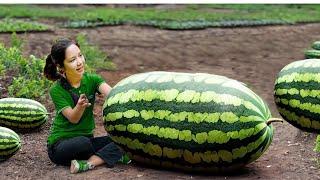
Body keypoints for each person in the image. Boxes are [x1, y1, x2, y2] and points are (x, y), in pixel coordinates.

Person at [43, 38, 131, 174]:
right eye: (72, 60)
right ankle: (111, 156)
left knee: (124, 141)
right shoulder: (57, 90)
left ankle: (88, 163)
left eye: (80, 55)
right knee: (83, 143)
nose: (79, 62)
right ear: (61, 67)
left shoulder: (93, 80)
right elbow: (73, 118)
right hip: (60, 146)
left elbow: (113, 95)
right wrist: (80, 106)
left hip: (87, 142)